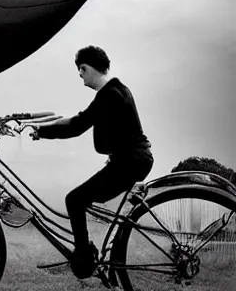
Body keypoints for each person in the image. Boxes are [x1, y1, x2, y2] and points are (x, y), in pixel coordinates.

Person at [31, 46, 153, 279]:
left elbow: (78, 125)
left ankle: (84, 259)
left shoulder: (109, 95)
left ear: (87, 67)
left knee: (74, 199)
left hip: (129, 163)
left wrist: (42, 133)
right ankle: (91, 255)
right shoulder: (118, 90)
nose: (81, 77)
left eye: (81, 72)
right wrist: (49, 125)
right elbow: (80, 119)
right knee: (81, 199)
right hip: (130, 161)